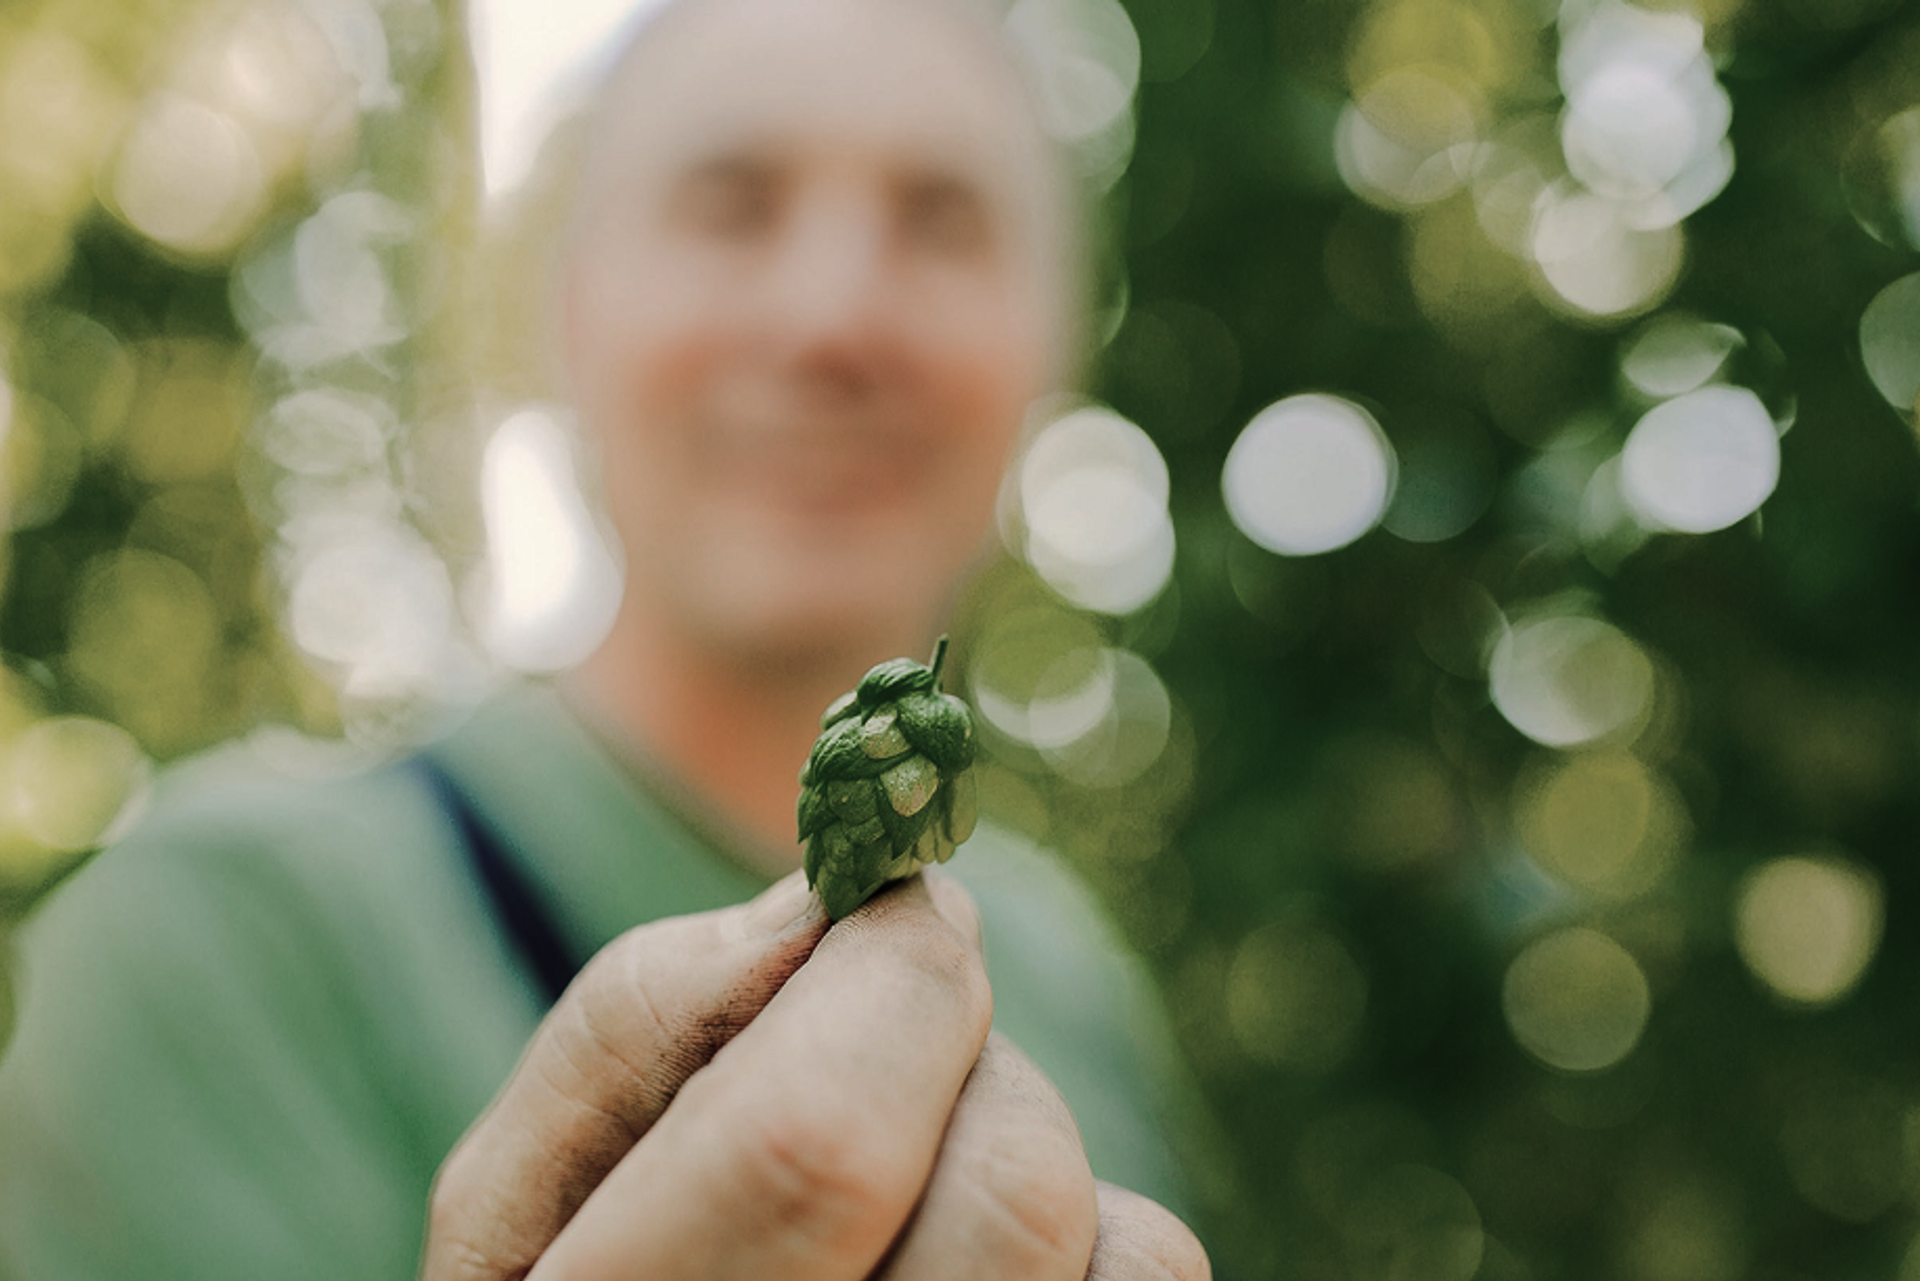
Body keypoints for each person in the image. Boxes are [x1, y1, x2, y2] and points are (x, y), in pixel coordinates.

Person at [0, 0, 1212, 1277]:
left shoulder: (1068, 973)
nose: (831, 315)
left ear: (1055, 348)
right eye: (733, 205)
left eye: (941, 223)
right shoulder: (223, 940)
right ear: (572, 315)